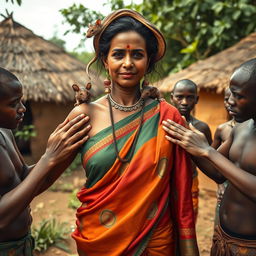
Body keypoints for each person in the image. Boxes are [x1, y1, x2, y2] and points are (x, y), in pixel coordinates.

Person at [67, 9, 199, 256]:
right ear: (105, 60)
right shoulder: (84, 115)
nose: (127, 63)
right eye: (118, 54)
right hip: (100, 238)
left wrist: (205, 149)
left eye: (137, 55)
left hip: (156, 240)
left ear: (148, 61)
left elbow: (182, 183)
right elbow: (48, 167)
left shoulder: (167, 116)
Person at [163, 58, 256, 255]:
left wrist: (208, 151)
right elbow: (217, 172)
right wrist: (188, 142)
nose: (229, 101)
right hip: (223, 237)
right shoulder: (241, 129)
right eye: (230, 94)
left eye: (238, 96)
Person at [0, 67, 91, 255]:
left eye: (21, 101)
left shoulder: (5, 132)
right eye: (13, 103)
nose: (22, 109)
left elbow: (28, 181)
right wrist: (48, 158)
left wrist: (67, 148)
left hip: (21, 245)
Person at [171, 79, 212, 220]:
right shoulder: (164, 123)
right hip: (166, 181)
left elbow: (211, 159)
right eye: (179, 97)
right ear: (172, 98)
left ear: (197, 99)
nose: (184, 102)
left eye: (190, 97)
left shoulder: (201, 128)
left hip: (190, 181)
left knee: (188, 220)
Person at [211, 87, 237, 226]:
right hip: (225, 183)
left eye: (235, 98)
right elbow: (212, 159)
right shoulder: (223, 129)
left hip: (244, 187)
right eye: (226, 99)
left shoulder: (247, 130)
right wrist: (220, 184)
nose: (230, 103)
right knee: (220, 223)